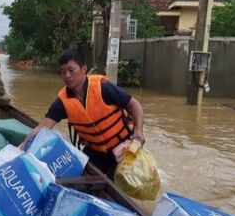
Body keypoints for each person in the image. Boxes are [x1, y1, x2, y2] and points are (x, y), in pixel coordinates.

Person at [21, 49, 144, 179]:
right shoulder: (62, 102)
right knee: (86, 182)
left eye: (71, 70)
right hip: (95, 152)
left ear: (84, 69)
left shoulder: (103, 88)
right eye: (63, 72)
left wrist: (139, 131)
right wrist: (21, 149)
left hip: (123, 147)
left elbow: (134, 105)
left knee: (129, 184)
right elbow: (41, 128)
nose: (67, 75)